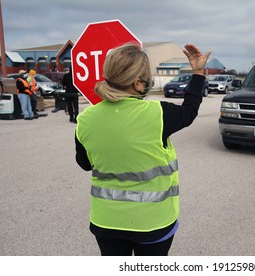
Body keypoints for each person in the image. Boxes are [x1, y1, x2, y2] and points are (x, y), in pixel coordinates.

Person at [75, 43, 210, 256]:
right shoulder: (158, 113)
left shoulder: (85, 119)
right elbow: (190, 111)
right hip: (153, 223)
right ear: (138, 83)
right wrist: (198, 73)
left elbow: (84, 164)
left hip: (106, 222)